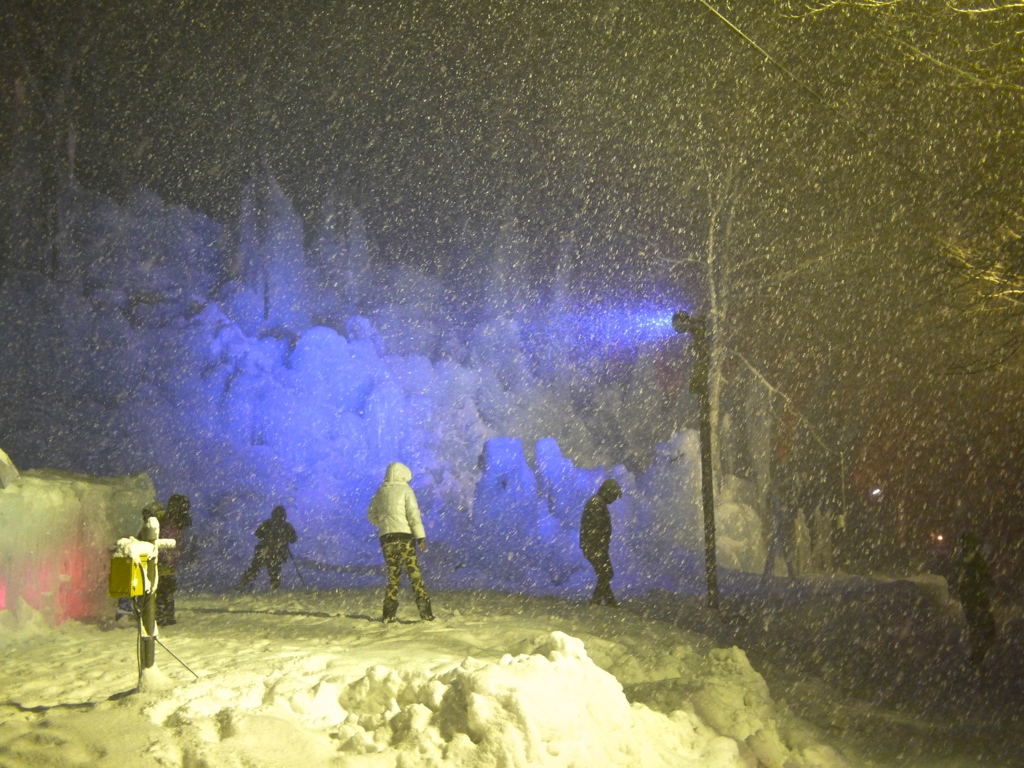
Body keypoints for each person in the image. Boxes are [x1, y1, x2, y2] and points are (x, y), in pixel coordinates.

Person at [367, 462, 434, 623]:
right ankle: (425, 612)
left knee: (393, 575)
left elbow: (371, 515)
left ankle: (388, 613)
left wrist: (384, 525)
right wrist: (420, 537)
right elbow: (413, 515)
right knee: (414, 574)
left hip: (387, 539)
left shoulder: (380, 492)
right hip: (404, 537)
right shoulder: (406, 490)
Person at [953, 532, 997, 670]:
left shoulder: (963, 559)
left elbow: (959, 580)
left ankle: (976, 657)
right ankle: (977, 657)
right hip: (977, 598)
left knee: (977, 626)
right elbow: (986, 577)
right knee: (986, 628)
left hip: (971, 598)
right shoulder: (973, 559)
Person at [580, 478, 622, 607]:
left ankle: (605, 601)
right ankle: (599, 601)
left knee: (605, 573)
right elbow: (595, 528)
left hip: (595, 546)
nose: (614, 499)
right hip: (595, 547)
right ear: (607, 492)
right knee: (606, 573)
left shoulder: (598, 503)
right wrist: (599, 546)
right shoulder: (596, 504)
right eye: (614, 495)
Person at [237, 505, 298, 591]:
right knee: (274, 570)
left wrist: (267, 538)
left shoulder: (267, 523)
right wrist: (284, 539)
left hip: (264, 550)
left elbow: (258, 533)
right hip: (277, 552)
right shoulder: (287, 526)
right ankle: (274, 588)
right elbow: (293, 539)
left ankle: (243, 584)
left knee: (255, 568)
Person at [156, 494, 192, 625]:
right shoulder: (179, 523)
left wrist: (165, 557)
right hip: (171, 563)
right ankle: (167, 614)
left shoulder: (169, 524)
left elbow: (163, 542)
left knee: (161, 589)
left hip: (164, 563)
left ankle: (162, 615)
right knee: (167, 589)